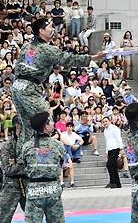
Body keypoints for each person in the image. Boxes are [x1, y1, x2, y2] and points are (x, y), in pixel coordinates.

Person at [12, 18, 101, 156]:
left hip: (17, 86)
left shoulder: (26, 46)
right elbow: (69, 59)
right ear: (41, 31)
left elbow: (23, 66)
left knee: (27, 127)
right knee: (46, 120)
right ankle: (44, 154)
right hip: (29, 88)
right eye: (49, 26)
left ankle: (21, 157)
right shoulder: (48, 49)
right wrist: (92, 58)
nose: (53, 29)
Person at [20, 111, 66, 223]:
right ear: (45, 126)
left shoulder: (27, 146)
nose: (53, 123)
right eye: (50, 122)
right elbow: (60, 165)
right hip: (53, 190)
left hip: (34, 191)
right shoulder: (58, 145)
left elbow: (25, 166)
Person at [0, 116, 27, 223]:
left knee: (34, 217)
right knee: (3, 217)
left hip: (28, 184)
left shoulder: (30, 145)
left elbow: (36, 166)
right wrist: (26, 164)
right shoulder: (7, 146)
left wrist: (17, 162)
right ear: (17, 125)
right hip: (11, 185)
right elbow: (9, 169)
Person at [102, 115, 123, 188]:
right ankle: (117, 184)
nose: (105, 123)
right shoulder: (105, 130)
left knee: (109, 165)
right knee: (113, 166)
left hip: (116, 148)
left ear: (109, 121)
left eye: (106, 121)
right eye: (103, 122)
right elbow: (107, 141)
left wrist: (121, 149)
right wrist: (107, 151)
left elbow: (119, 138)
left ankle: (112, 182)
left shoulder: (115, 128)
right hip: (110, 150)